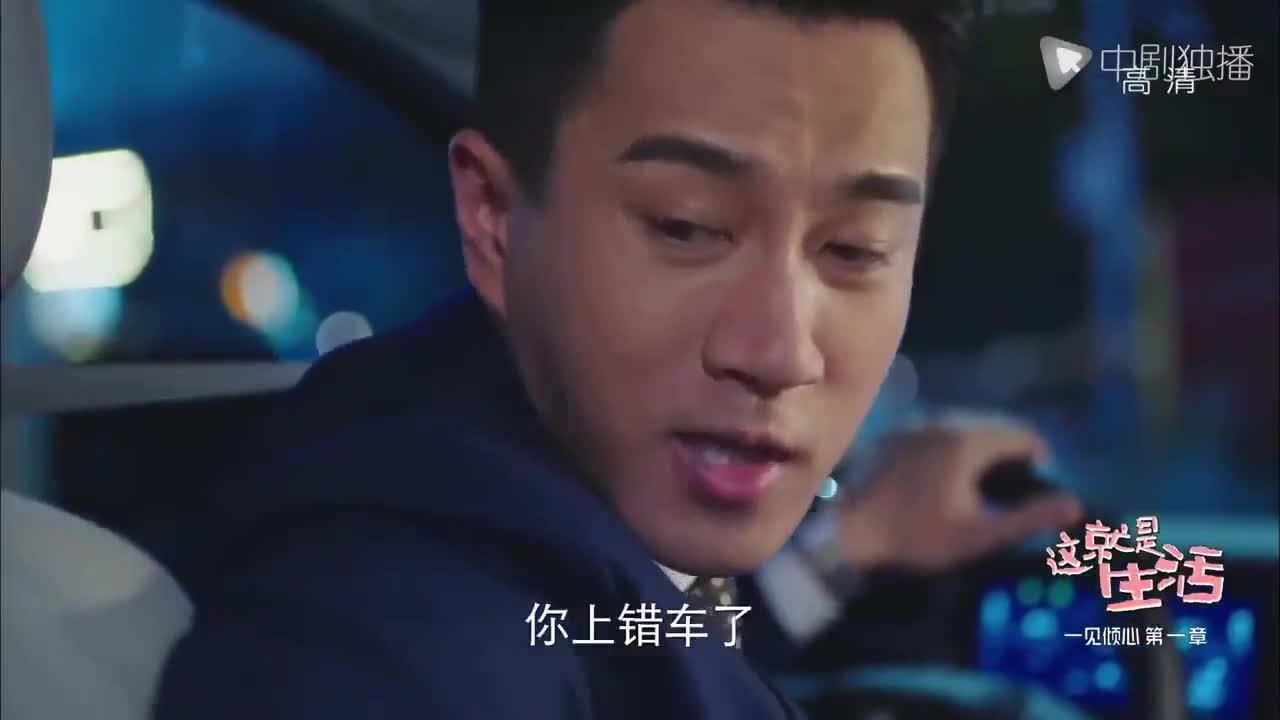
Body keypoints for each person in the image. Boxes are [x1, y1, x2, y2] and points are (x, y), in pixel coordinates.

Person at [153, 1, 1081, 718]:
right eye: (686, 226)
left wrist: (848, 546)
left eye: (855, 249)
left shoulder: (532, 512)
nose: (779, 350)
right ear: (492, 219)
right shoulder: (388, 618)